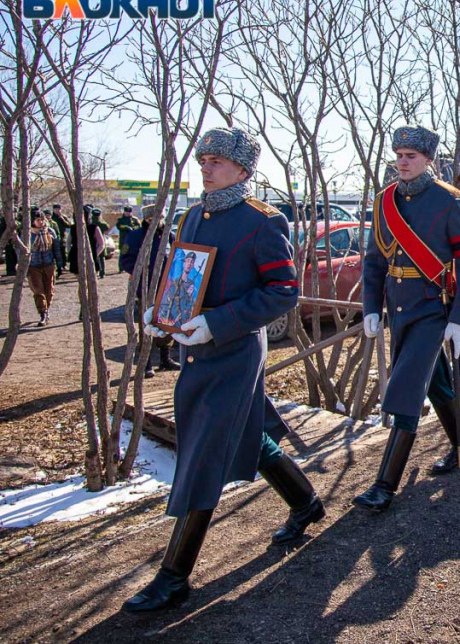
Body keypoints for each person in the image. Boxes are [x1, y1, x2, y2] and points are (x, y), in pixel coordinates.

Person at [125, 127, 325, 614]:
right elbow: (184, 274)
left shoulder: (264, 220)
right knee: (245, 438)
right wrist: (163, 314)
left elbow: (282, 292)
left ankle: (174, 576)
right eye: (203, 158)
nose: (205, 166)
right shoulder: (194, 215)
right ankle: (306, 503)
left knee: (205, 453)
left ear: (243, 169)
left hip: (234, 352)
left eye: (215, 160)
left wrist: (216, 324)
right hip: (196, 349)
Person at [356, 123, 460, 513]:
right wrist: (371, 307)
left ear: (428, 160)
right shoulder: (384, 201)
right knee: (437, 383)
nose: (403, 163)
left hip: (432, 306)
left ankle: (385, 485)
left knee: (406, 389)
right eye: (398, 157)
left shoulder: (449, 200)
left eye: (411, 157)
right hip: (398, 307)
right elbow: (375, 260)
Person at [121, 217, 180, 377]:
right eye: (153, 217)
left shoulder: (169, 235)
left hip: (167, 288)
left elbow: (177, 257)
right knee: (145, 325)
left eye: (160, 217)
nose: (158, 221)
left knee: (167, 323)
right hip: (145, 288)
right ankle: (145, 363)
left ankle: (165, 358)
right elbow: (125, 261)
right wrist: (143, 273)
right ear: (146, 219)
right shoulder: (135, 236)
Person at [27, 209, 60, 326]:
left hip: (48, 264)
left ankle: (47, 310)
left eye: (42, 220)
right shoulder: (28, 233)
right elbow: (21, 250)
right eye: (38, 220)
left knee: (49, 291)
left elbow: (56, 247)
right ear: (33, 221)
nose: (40, 222)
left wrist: (60, 263)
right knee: (38, 290)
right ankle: (43, 314)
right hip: (33, 266)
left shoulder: (50, 231)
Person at [158, 251, 202, 328]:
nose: (189, 264)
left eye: (191, 262)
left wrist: (188, 295)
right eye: (187, 261)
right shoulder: (174, 282)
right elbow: (166, 303)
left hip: (184, 323)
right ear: (183, 263)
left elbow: (190, 305)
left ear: (193, 265)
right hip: (170, 320)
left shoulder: (191, 284)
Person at [115, 206, 141, 273]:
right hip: (124, 240)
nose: (128, 213)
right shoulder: (120, 220)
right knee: (123, 254)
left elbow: (139, 226)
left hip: (133, 240)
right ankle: (121, 268)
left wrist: (133, 228)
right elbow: (118, 226)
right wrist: (126, 227)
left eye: (129, 212)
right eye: (126, 212)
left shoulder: (135, 219)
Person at [51, 204, 71, 278]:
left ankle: (64, 265)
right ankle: (57, 266)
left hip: (62, 236)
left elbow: (69, 225)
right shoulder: (52, 217)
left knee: (63, 251)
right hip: (53, 237)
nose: (57, 210)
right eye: (55, 209)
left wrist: (62, 219)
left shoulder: (63, 217)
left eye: (58, 209)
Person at [90, 208, 108, 278]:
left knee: (94, 256)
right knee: (101, 257)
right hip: (101, 240)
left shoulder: (91, 222)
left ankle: (94, 271)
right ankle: (102, 272)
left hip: (92, 241)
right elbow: (107, 227)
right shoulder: (101, 223)